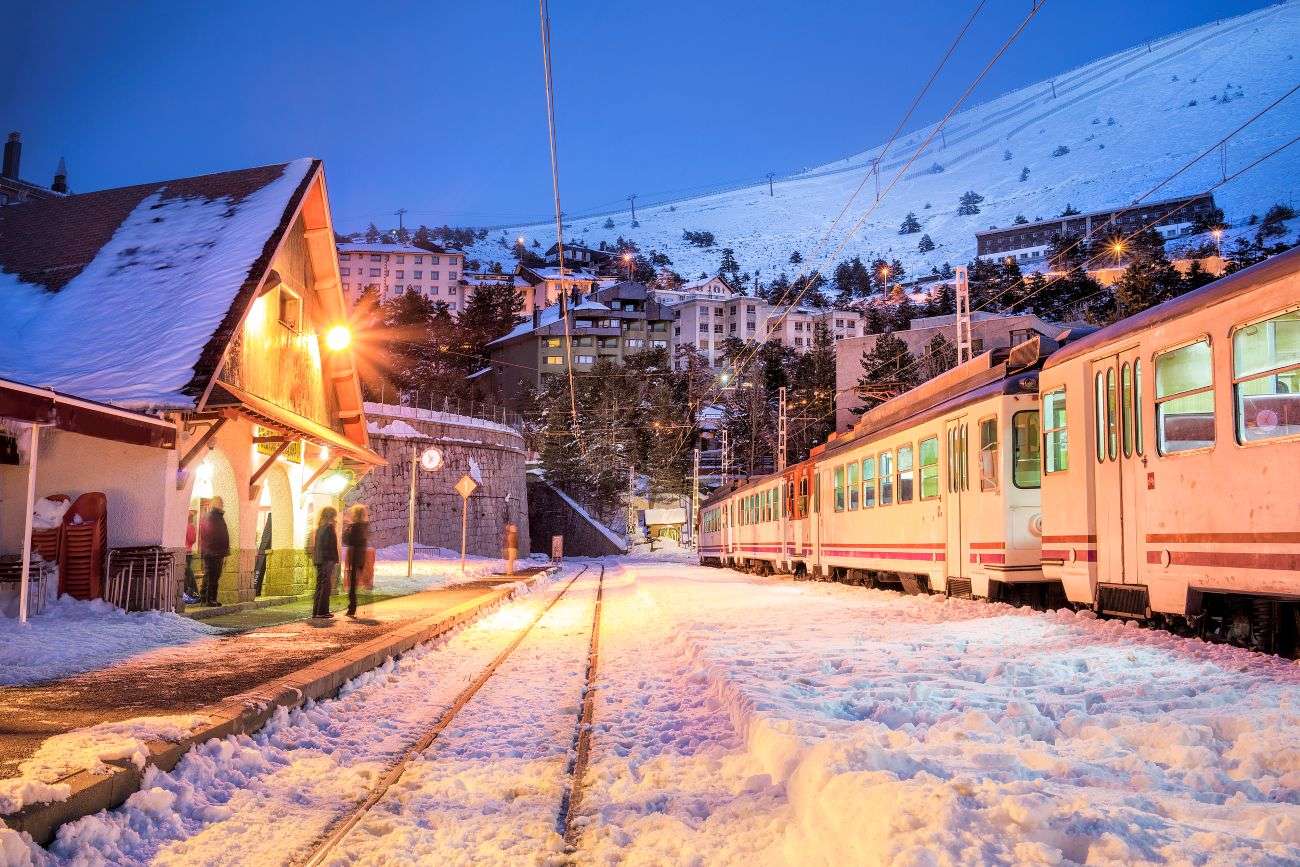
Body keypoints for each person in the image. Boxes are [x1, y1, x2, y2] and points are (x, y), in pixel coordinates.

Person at [199, 498, 230, 606]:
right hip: (214, 551)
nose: (222, 505)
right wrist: (216, 550)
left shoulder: (217, 516)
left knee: (210, 575)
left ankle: (204, 597)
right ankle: (210, 599)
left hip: (214, 551)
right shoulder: (213, 516)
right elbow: (212, 534)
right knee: (213, 576)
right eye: (220, 503)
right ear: (215, 504)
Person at [311, 506, 340, 619]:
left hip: (319, 559)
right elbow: (330, 545)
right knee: (326, 586)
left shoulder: (320, 528)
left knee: (319, 585)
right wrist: (335, 559)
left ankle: (316, 611)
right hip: (327, 559)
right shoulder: (329, 527)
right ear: (331, 516)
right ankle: (322, 611)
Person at [341, 504, 369, 617]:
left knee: (352, 585)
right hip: (360, 557)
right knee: (354, 584)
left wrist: (347, 528)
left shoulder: (356, 527)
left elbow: (347, 540)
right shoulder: (364, 526)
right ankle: (353, 606)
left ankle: (352, 608)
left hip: (354, 557)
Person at [183, 510, 199, 603]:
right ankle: (192, 594)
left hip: (185, 553)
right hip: (188, 552)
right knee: (188, 574)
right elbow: (192, 540)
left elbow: (191, 539)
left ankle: (191, 594)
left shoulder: (187, 526)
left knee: (187, 574)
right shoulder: (191, 527)